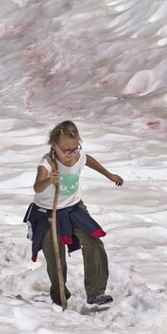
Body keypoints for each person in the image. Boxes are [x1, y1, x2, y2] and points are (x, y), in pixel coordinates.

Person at [24, 120, 123, 306]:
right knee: (56, 257)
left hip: (74, 208)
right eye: (66, 150)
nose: (71, 154)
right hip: (47, 214)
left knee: (94, 243)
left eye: (75, 148)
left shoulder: (78, 156)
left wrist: (109, 175)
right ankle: (60, 295)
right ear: (54, 146)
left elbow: (88, 160)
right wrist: (48, 181)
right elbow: (37, 187)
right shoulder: (47, 164)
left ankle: (96, 292)